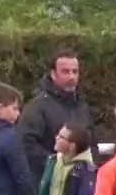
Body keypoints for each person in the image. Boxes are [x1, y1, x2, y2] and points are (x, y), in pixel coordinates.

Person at [16, 49, 96, 183]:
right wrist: (57, 166)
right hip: (47, 184)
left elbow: (93, 143)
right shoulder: (37, 107)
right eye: (65, 71)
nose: (71, 77)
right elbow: (27, 144)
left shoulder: (82, 107)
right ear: (53, 74)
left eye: (75, 72)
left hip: (80, 185)